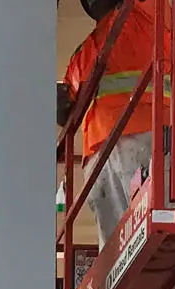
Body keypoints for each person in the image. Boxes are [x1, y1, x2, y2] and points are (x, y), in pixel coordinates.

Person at [62, 0, 167, 244]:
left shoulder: (143, 11)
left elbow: (67, 101)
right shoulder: (90, 47)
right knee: (129, 247)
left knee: (134, 244)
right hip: (114, 152)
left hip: (130, 142)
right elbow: (67, 104)